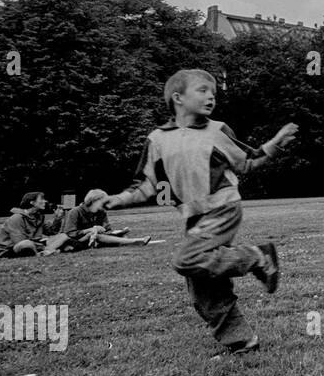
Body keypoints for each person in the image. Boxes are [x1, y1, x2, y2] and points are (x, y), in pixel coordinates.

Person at [90, 69, 297, 355]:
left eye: (213, 92)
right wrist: (117, 199)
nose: (211, 96)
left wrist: (274, 144)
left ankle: (258, 257)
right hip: (194, 218)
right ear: (178, 97)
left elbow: (247, 162)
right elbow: (146, 185)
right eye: (202, 90)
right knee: (202, 288)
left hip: (223, 208)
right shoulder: (157, 139)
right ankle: (242, 341)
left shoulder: (218, 130)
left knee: (186, 258)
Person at [61, 189, 152, 249]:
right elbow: (69, 233)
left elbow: (108, 230)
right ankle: (135, 242)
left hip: (98, 238)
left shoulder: (102, 212)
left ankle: (127, 241)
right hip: (78, 241)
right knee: (95, 235)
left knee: (121, 236)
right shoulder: (76, 211)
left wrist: (120, 232)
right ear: (94, 201)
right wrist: (90, 230)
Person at [0, 192, 63, 257]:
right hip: (12, 249)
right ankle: (44, 252)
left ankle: (46, 250)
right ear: (32, 202)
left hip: (35, 243)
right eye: (41, 199)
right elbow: (19, 241)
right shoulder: (16, 218)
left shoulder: (39, 216)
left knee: (63, 236)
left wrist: (58, 218)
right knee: (26, 243)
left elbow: (51, 231)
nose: (45, 201)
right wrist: (44, 245)